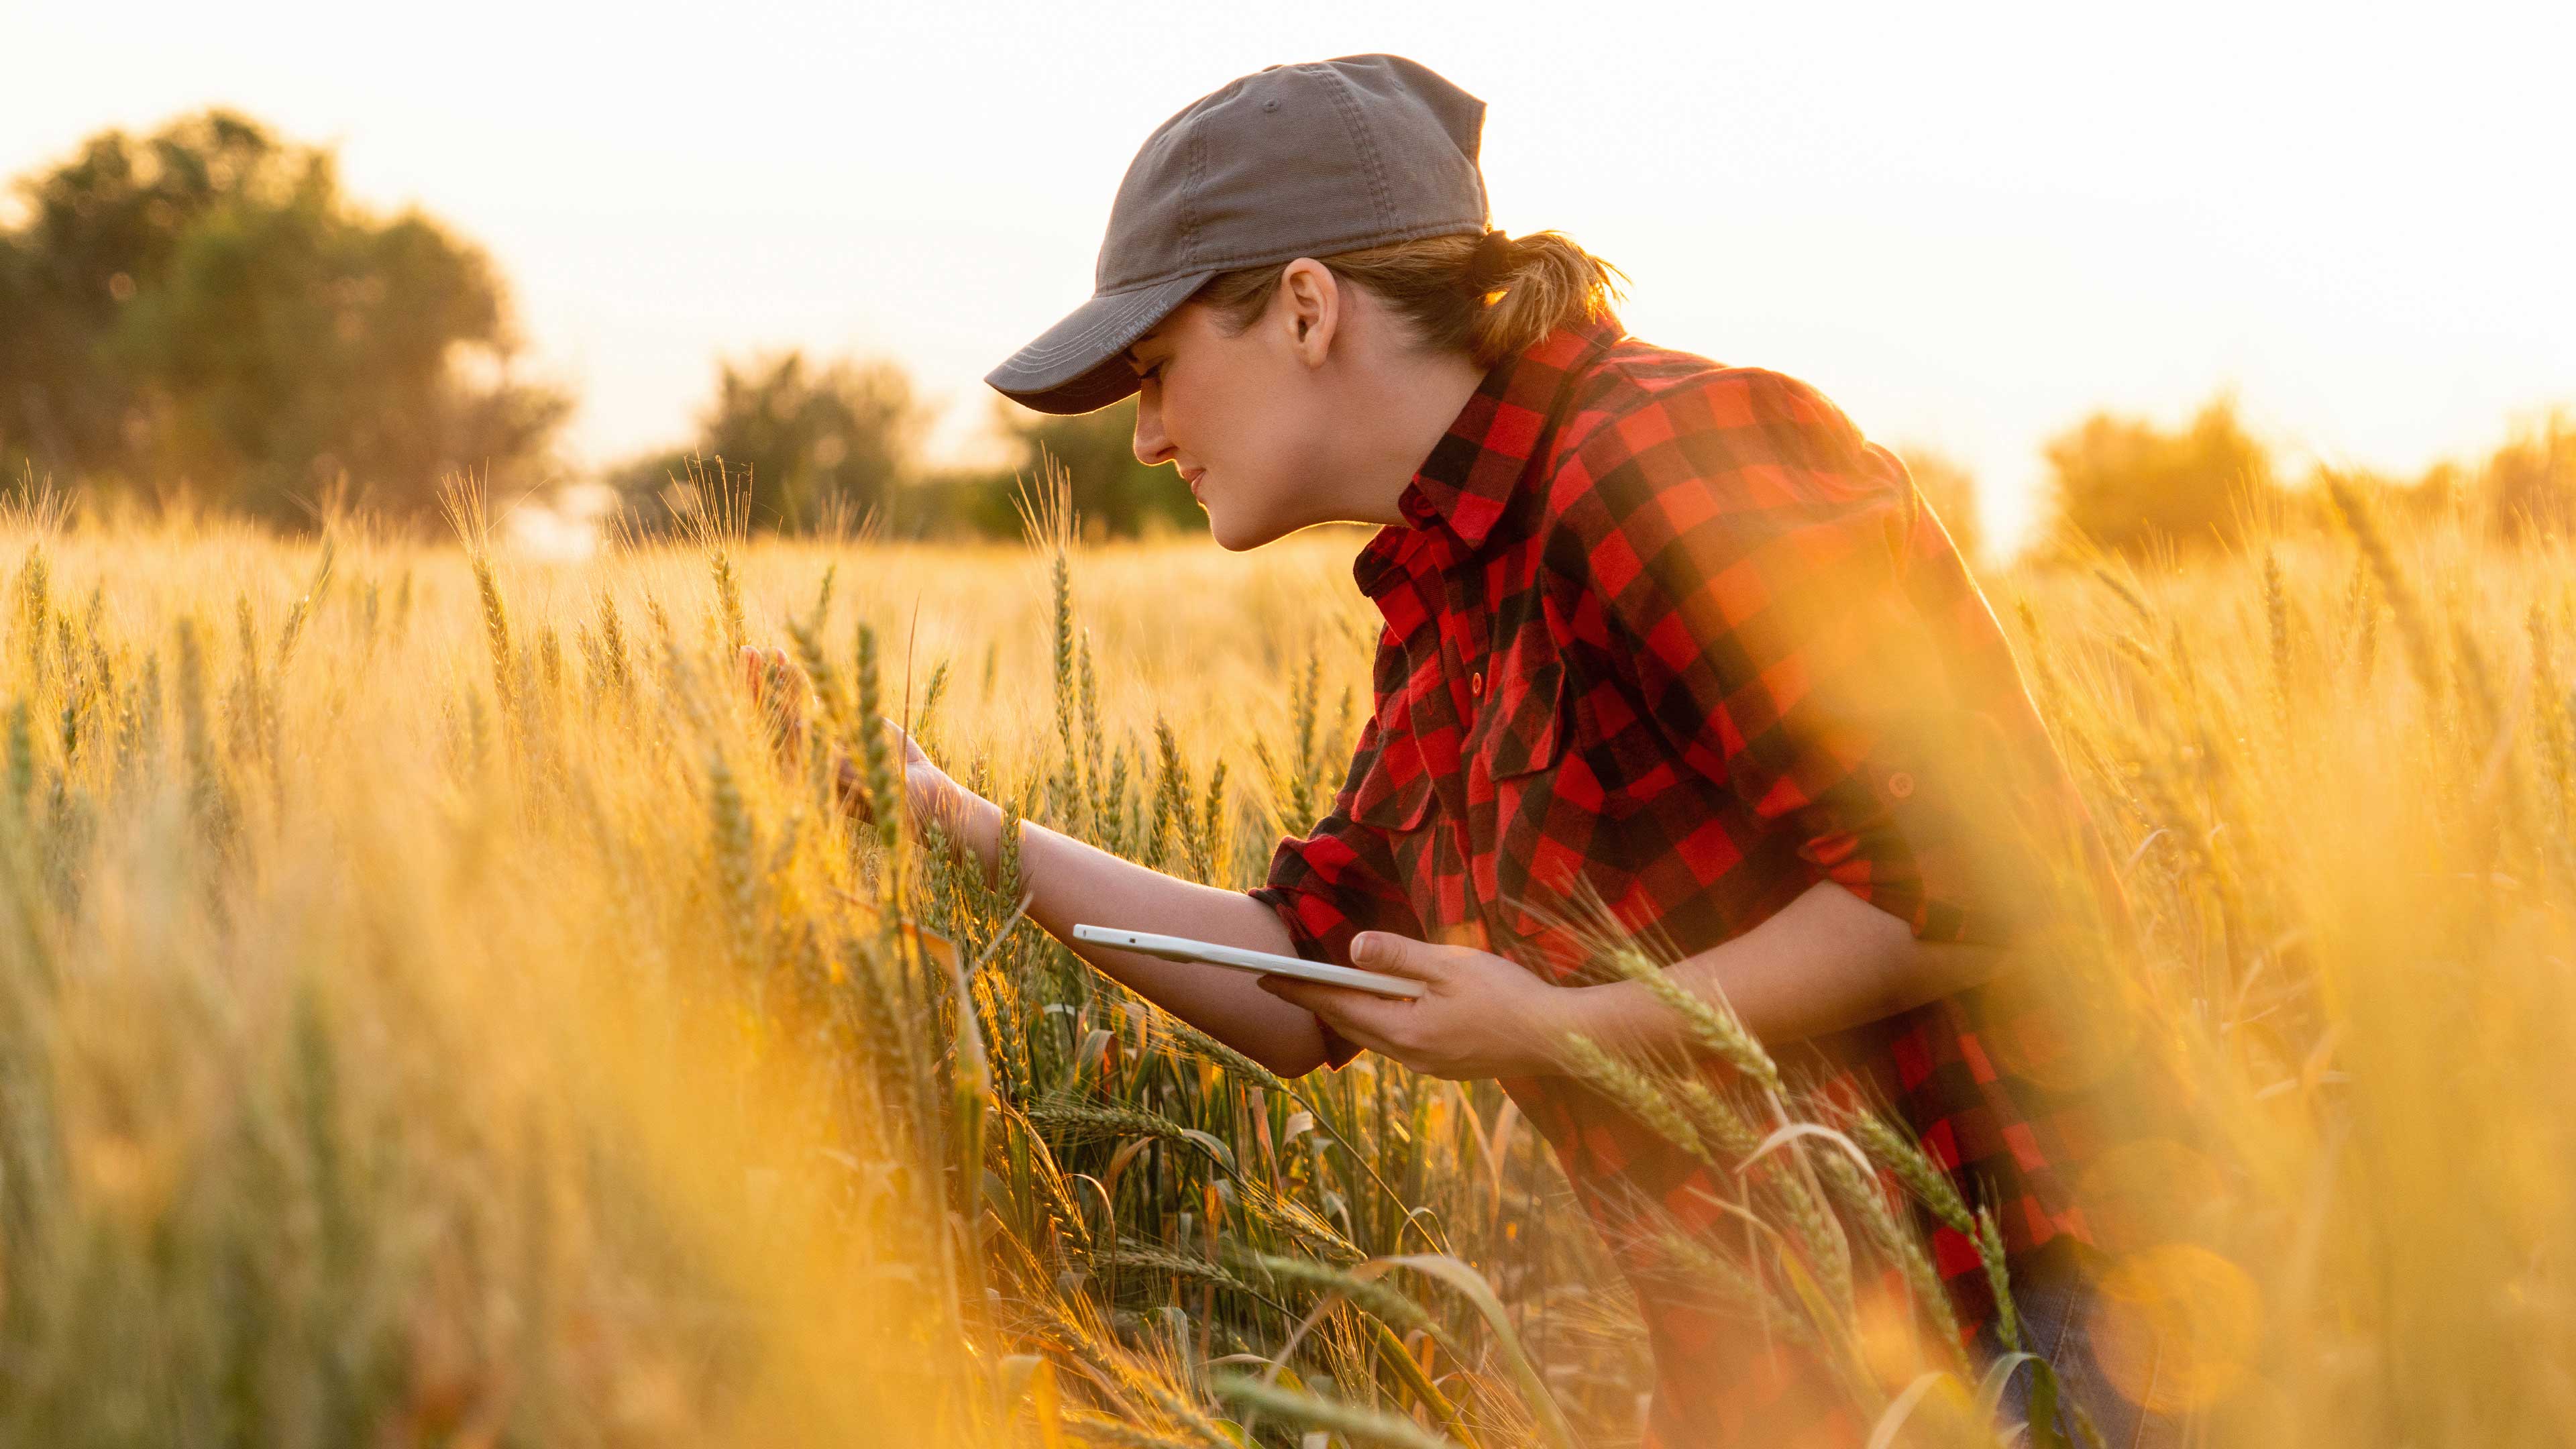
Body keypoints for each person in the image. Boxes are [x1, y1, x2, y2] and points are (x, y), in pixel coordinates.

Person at [749, 54, 2176, 1449]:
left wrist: (1556, 1029)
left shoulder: (1666, 455)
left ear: (1306, 309)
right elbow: (1308, 974)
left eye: (1160, 368)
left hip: (2029, 1338)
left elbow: (1967, 892)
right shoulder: (1455, 587)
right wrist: (944, 815)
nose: (1148, 437)